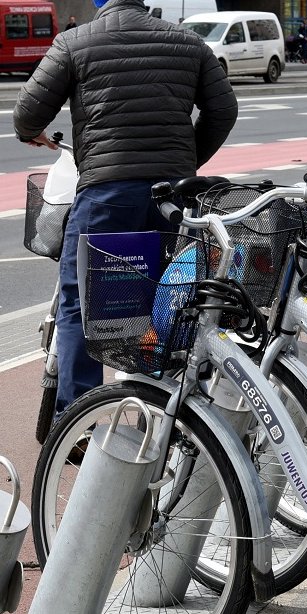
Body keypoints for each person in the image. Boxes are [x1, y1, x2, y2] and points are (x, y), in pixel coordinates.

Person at [12, 0, 238, 419]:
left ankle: (78, 420)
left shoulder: (75, 41)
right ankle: (163, 409)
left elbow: (27, 113)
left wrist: (33, 134)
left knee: (83, 301)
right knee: (168, 298)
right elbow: (224, 109)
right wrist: (184, 163)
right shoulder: (187, 42)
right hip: (174, 196)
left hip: (106, 195)